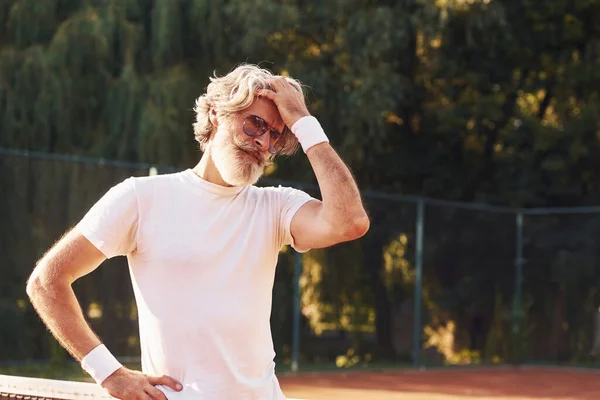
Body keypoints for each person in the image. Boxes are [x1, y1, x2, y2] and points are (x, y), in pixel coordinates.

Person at [26, 64, 370, 399]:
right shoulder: (141, 198)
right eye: (255, 124)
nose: (263, 143)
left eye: (275, 135)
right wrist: (109, 373)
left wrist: (304, 122)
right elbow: (46, 281)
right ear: (217, 114)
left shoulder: (277, 207)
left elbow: (349, 222)